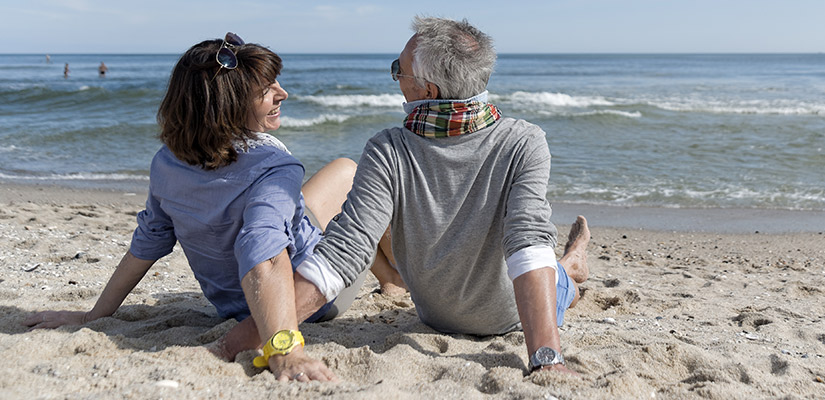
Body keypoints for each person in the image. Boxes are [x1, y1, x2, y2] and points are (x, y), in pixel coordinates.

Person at [23, 33, 398, 382]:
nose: (283, 93)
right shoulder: (274, 167)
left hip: (231, 307)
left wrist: (96, 314)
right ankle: (393, 279)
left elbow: (148, 243)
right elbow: (265, 256)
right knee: (352, 173)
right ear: (230, 104)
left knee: (318, 197)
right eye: (267, 90)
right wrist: (284, 348)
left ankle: (389, 279)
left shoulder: (167, 162)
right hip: (311, 303)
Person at [279, 16, 592, 376]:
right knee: (547, 265)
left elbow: (347, 249)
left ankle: (571, 265)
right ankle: (571, 262)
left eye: (399, 69)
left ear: (426, 91)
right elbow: (528, 241)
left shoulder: (390, 149)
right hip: (490, 310)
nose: (396, 77)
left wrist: (547, 358)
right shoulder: (525, 140)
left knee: (560, 284)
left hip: (503, 317)